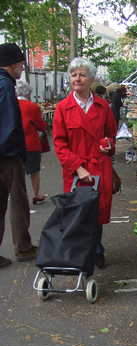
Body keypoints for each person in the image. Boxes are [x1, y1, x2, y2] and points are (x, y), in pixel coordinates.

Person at [53, 57, 118, 269]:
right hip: (75, 170)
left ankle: (97, 249)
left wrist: (108, 144)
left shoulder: (103, 107)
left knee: (97, 212)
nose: (77, 79)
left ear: (91, 79)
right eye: (73, 75)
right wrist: (79, 168)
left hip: (99, 166)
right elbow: (60, 145)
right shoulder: (62, 108)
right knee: (78, 213)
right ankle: (79, 253)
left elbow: (110, 134)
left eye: (82, 74)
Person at [0, 42, 38, 268]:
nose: (22, 68)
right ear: (12, 64)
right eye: (21, 64)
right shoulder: (5, 86)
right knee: (18, 201)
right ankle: (23, 247)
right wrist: (15, 153)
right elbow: (9, 125)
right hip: (6, 156)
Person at [16, 80, 49, 205]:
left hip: (14, 144)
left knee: (16, 172)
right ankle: (36, 195)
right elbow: (41, 125)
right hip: (31, 143)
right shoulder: (32, 106)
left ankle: (17, 196)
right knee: (34, 170)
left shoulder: (9, 104)